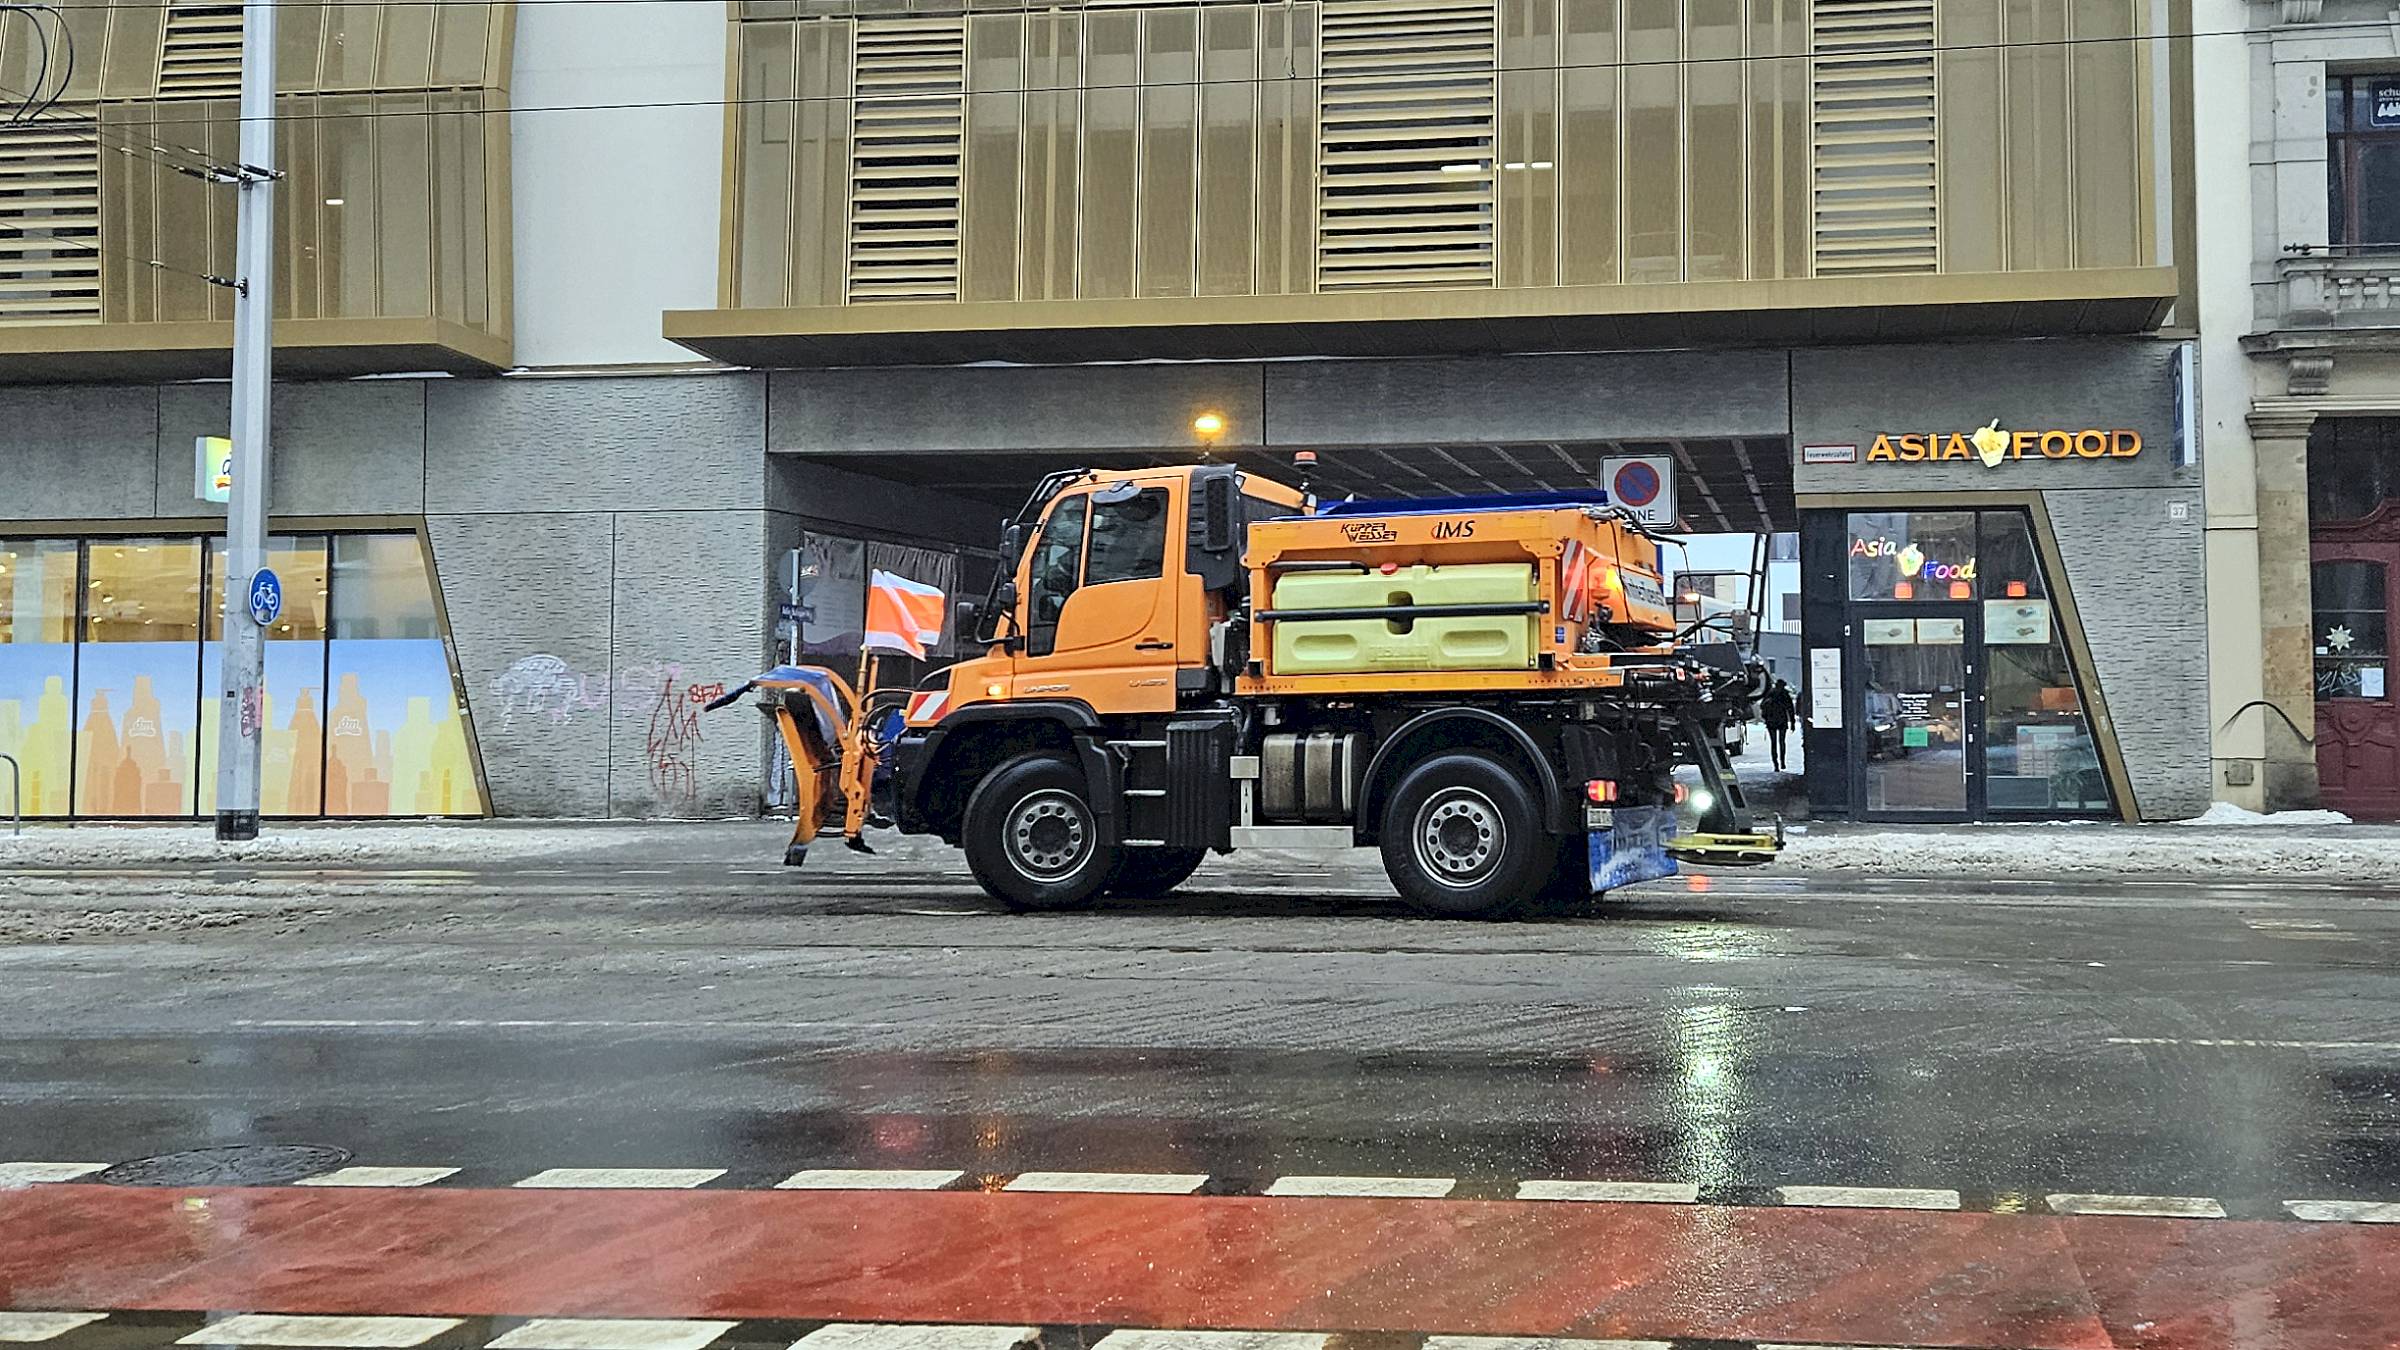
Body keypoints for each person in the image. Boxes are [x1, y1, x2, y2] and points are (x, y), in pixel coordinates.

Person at [1761, 677, 1797, 772]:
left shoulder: (1770, 694)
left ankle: (1775, 764)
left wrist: (1765, 718)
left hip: (1771, 721)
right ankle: (1782, 762)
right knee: (1782, 742)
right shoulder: (1785, 694)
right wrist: (1792, 722)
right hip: (1782, 720)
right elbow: (1790, 709)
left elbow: (1762, 706)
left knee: (1773, 743)